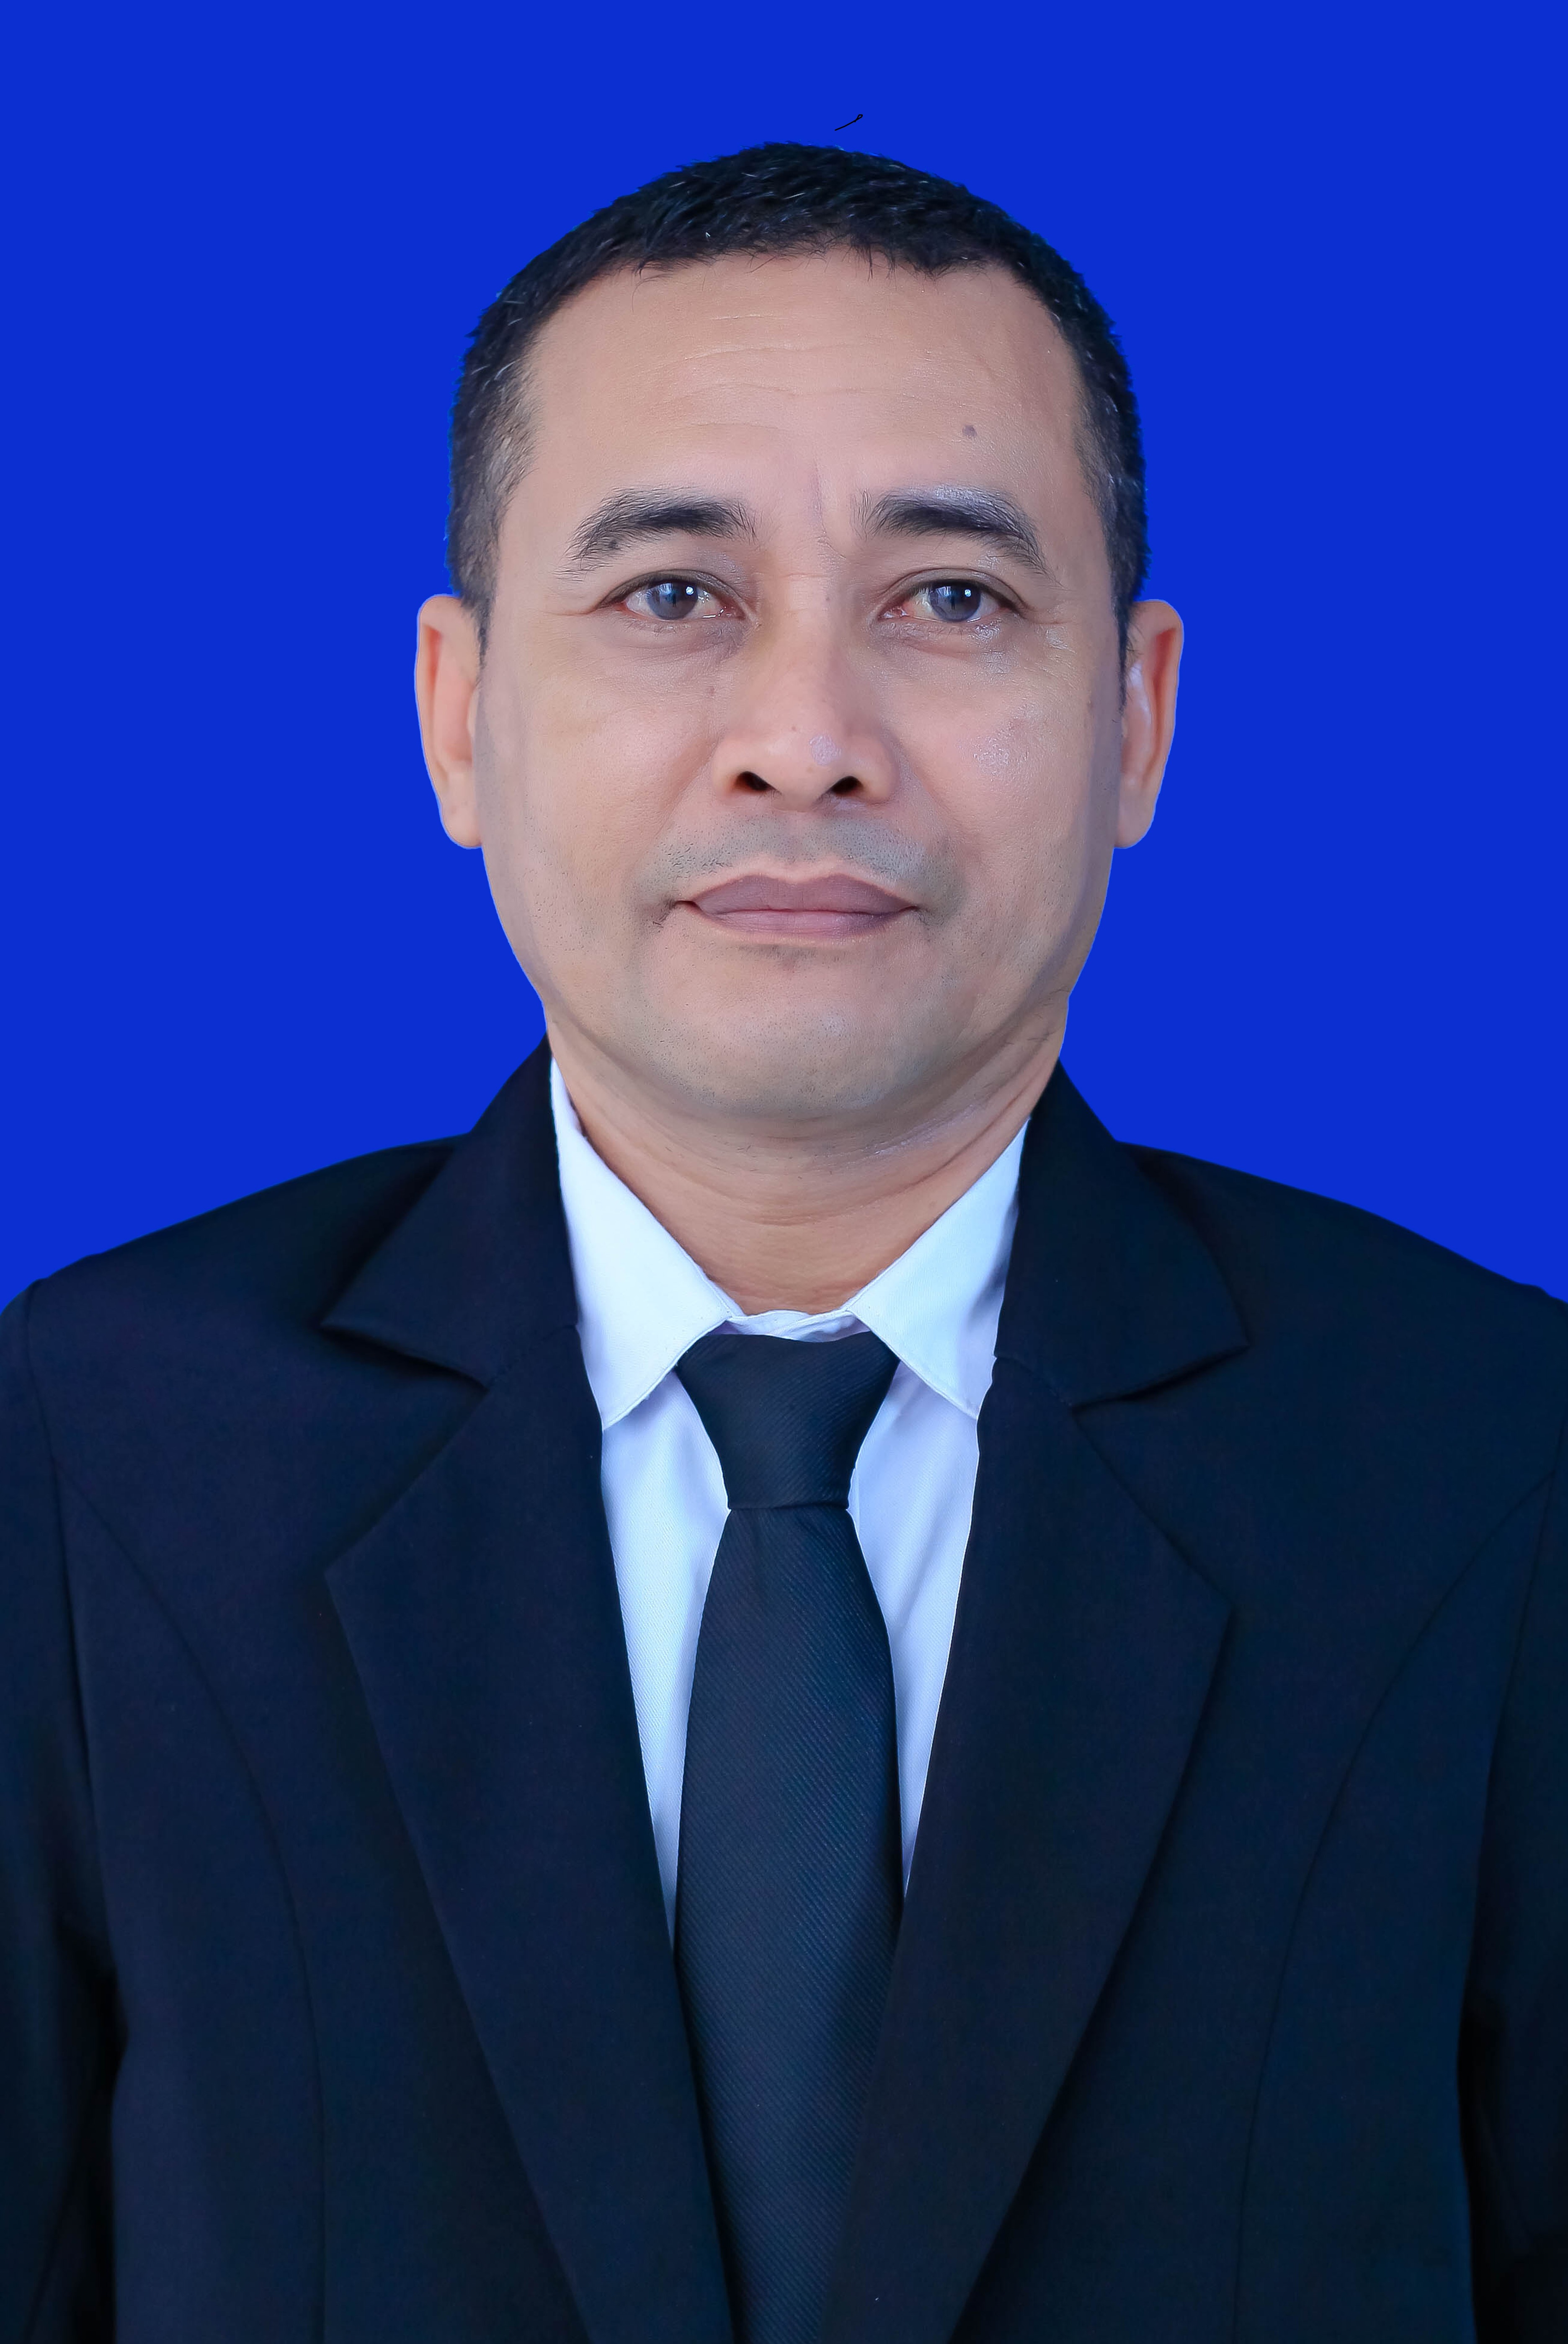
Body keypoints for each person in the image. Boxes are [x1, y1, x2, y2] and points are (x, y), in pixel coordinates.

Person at [1, 140, 1563, 2344]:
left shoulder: (1491, 1462)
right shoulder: (92, 1452)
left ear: (1136, 720)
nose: (807, 745)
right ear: (457, 718)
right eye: (673, 597)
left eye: (951, 601)